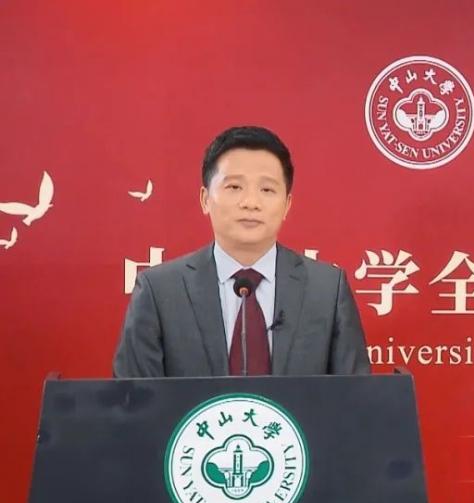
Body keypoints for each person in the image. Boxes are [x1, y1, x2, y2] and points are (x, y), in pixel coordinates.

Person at [113, 126, 370, 377]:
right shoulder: (159, 291)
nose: (250, 203)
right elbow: (133, 398)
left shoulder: (327, 291)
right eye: (234, 187)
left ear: (287, 205)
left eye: (267, 190)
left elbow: (354, 396)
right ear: (205, 199)